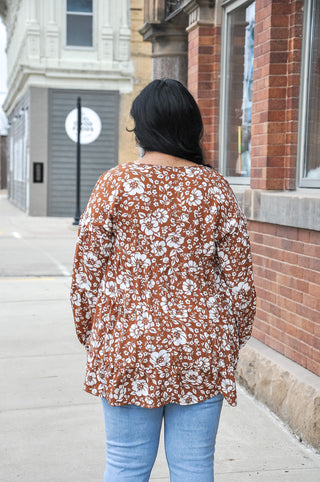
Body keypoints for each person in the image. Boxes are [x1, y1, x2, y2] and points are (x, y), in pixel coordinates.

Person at [70, 79, 256, 482]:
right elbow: (241, 285)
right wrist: (229, 338)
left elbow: (85, 278)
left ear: (143, 127)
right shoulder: (216, 189)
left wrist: (96, 335)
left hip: (127, 343)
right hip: (201, 346)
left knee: (125, 466)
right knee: (193, 467)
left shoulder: (114, 185)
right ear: (191, 127)